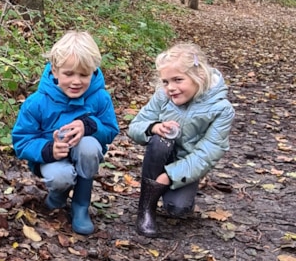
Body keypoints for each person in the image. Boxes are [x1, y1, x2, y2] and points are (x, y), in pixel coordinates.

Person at [12, 31, 119, 235]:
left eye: (84, 75)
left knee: (89, 146)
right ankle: (57, 196)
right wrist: (48, 149)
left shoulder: (100, 98)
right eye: (69, 74)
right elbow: (21, 141)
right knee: (60, 177)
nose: (76, 81)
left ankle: (81, 205)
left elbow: (111, 130)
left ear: (93, 71)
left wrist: (90, 125)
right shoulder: (37, 102)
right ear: (55, 71)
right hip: (53, 160)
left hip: (84, 154)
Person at [128, 41, 234, 237]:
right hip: (159, 156)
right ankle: (146, 206)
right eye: (166, 82)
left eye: (178, 80)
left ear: (199, 76)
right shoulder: (162, 97)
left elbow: (207, 154)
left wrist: (170, 175)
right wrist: (153, 127)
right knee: (161, 141)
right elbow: (135, 126)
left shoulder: (222, 109)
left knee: (177, 209)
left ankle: (170, 191)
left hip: (187, 164)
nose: (171, 88)